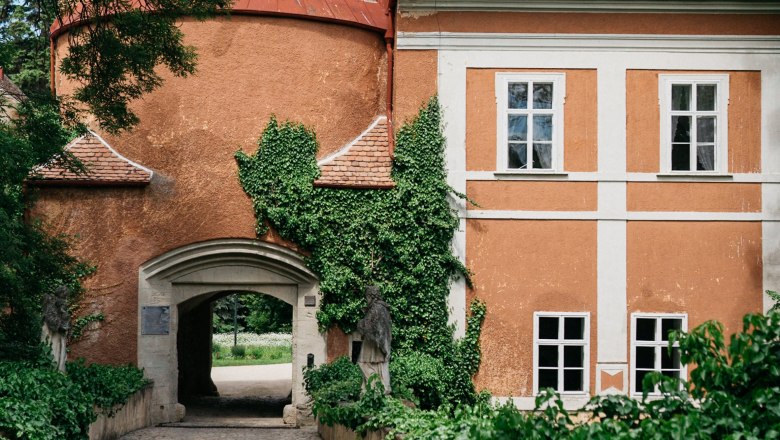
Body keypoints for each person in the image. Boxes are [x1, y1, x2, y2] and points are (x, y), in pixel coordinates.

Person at [356, 285, 391, 393]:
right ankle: (380, 387)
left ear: (371, 296)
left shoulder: (375, 308)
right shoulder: (382, 308)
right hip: (377, 341)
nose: (366, 299)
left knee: (363, 363)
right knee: (378, 364)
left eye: (367, 296)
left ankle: (374, 387)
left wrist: (359, 324)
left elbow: (367, 325)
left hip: (373, 342)